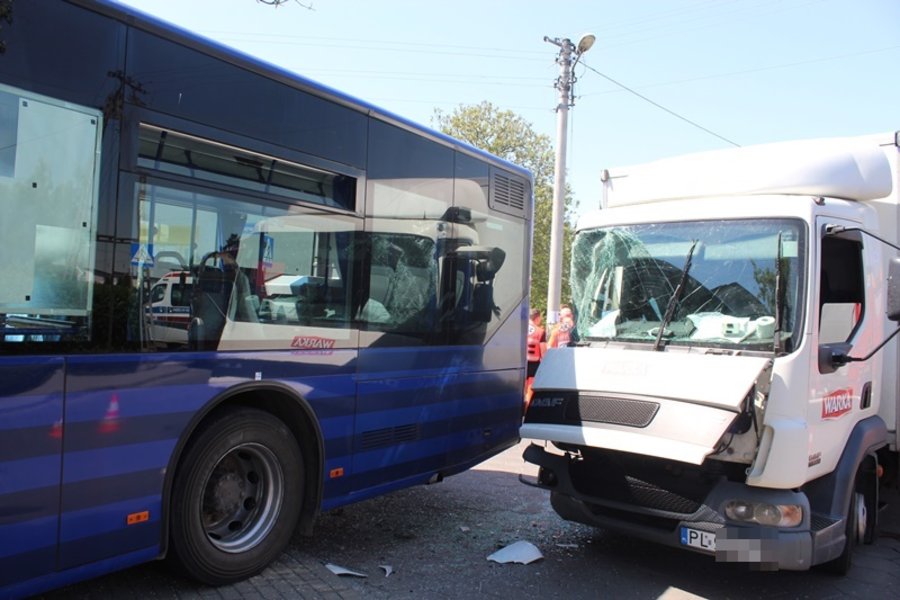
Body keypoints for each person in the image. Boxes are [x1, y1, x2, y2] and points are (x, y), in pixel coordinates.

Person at [524, 308, 546, 408]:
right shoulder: (540, 331)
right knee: (530, 389)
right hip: (534, 363)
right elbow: (543, 351)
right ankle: (526, 410)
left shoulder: (520, 328)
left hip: (520, 362)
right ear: (537, 318)